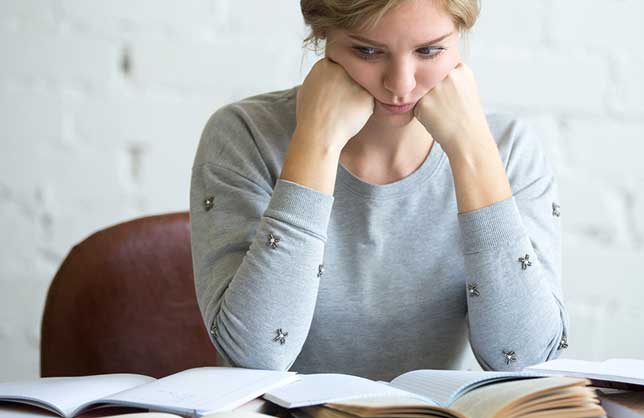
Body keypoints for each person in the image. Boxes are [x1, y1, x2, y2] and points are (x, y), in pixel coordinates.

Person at [189, 0, 569, 382]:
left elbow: (526, 360)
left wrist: (471, 151)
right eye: (368, 51)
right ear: (323, 37)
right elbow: (254, 357)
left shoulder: (508, 148)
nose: (401, 84)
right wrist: (317, 142)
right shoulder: (245, 136)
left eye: (429, 50)